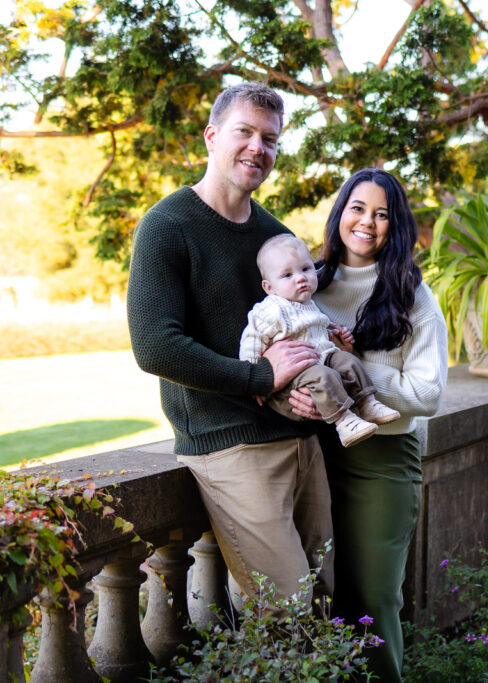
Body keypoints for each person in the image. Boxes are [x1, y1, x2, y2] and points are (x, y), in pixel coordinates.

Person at [127, 82, 331, 615]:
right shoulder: (166, 226)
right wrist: (259, 380)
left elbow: (294, 335)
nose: (257, 148)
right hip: (230, 447)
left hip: (301, 439)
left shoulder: (275, 236)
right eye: (244, 132)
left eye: (270, 138)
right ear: (212, 136)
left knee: (327, 602)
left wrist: (306, 391)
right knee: (287, 611)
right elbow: (155, 346)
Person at [289, 168, 448, 682]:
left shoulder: (411, 296)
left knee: (374, 600)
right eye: (358, 208)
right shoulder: (306, 282)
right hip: (312, 456)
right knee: (317, 599)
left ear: (396, 225)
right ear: (340, 213)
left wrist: (353, 368)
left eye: (382, 214)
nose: (367, 222)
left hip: (381, 464)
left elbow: (428, 393)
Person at [239, 233, 401, 447]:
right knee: (323, 375)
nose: (300, 278)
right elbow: (251, 341)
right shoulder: (271, 310)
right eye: (287, 275)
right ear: (269, 287)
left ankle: (367, 403)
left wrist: (336, 331)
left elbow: (318, 326)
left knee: (347, 360)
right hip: (297, 376)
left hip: (321, 358)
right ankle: (344, 422)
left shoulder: (307, 302)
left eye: (305, 269)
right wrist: (254, 380)